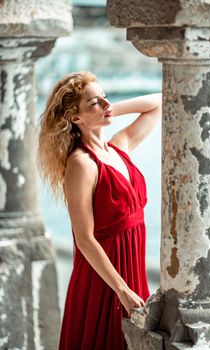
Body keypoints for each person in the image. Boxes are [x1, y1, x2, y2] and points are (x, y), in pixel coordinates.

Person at [37, 71, 162, 350]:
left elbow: (161, 102)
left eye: (105, 97)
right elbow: (85, 239)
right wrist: (122, 291)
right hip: (104, 280)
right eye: (94, 103)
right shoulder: (81, 164)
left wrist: (106, 108)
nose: (106, 105)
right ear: (74, 117)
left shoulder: (120, 146)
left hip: (131, 273)